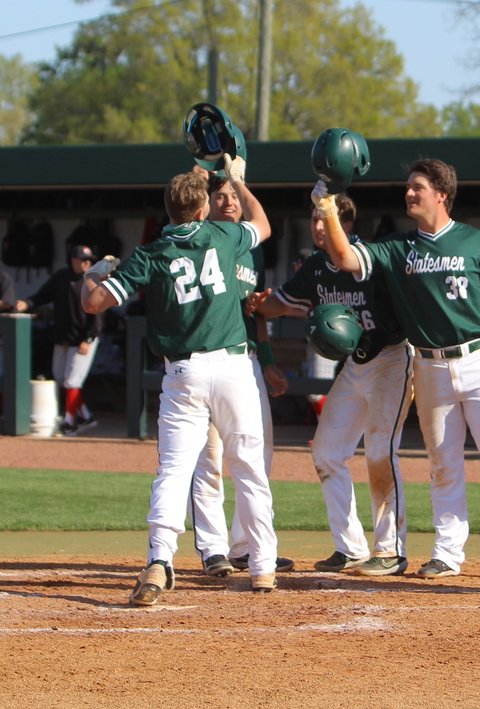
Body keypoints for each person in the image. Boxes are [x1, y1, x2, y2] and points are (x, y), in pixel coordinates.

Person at [314, 157, 480, 581]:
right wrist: (328, 209)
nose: (408, 193)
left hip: (479, 361)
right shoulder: (398, 247)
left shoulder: (476, 241)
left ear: (441, 194)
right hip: (428, 366)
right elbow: (347, 259)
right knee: (443, 464)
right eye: (408, 187)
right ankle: (447, 552)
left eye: (417, 187)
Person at [82, 160, 281, 604]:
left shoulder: (151, 253)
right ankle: (263, 567)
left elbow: (93, 302)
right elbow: (262, 223)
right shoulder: (226, 235)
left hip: (184, 373)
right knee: (248, 465)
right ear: (203, 208)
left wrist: (93, 271)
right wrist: (237, 181)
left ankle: (159, 559)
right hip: (233, 368)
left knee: (174, 469)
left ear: (168, 210)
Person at [253, 192, 414, 576]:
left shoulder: (367, 258)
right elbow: (282, 300)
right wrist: (258, 303)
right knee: (326, 452)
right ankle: (351, 547)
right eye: (315, 220)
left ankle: (391, 551)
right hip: (355, 365)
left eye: (327, 220)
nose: (319, 227)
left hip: (392, 358)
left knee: (379, 452)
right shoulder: (315, 267)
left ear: (347, 225)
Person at [188, 173, 294, 578]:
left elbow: (256, 314)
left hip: (245, 359)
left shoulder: (251, 250)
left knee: (256, 453)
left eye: (234, 195)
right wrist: (205, 177)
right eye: (220, 196)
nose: (229, 201)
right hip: (208, 357)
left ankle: (246, 547)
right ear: (207, 202)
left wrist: (266, 360)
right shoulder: (201, 240)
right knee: (210, 457)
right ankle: (214, 550)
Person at [16, 244, 104, 435]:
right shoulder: (61, 277)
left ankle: (70, 422)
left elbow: (97, 317)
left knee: (72, 382)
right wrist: (28, 303)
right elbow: (42, 295)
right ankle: (86, 417)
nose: (87, 263)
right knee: (61, 378)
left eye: (89, 260)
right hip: (63, 338)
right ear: (74, 260)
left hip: (83, 340)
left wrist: (88, 339)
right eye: (83, 260)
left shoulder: (93, 282)